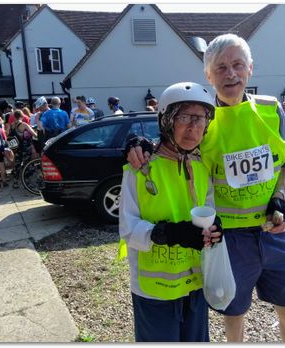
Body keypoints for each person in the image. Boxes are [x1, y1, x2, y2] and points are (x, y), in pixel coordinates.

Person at [126, 33, 285, 342]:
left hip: (271, 231)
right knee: (233, 315)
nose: (230, 73)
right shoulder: (205, 118)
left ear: (250, 68)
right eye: (220, 68)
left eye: (237, 65)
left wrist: (279, 197)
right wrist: (141, 144)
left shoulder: (270, 109)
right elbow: (176, 145)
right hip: (229, 238)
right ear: (208, 75)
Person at [119, 82, 223, 342]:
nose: (193, 127)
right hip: (155, 290)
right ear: (166, 121)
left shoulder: (200, 167)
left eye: (200, 119)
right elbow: (128, 230)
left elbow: (209, 208)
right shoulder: (140, 168)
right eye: (184, 117)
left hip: (194, 283)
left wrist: (214, 228)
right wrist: (169, 233)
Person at [10, 109, 37, 188]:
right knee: (27, 165)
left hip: (17, 148)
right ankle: (27, 182)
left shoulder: (12, 125)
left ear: (14, 116)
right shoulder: (24, 125)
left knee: (17, 164)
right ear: (22, 116)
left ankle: (15, 182)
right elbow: (34, 134)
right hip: (25, 148)